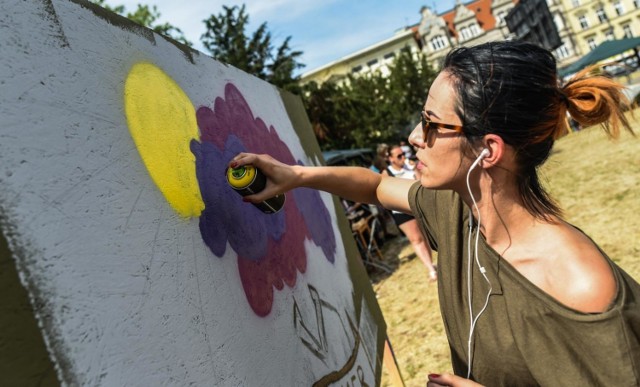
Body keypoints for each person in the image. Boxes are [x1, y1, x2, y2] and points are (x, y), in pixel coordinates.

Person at [229, 41, 640, 385]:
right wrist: (296, 175)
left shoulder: (582, 287)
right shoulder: (458, 210)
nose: (412, 138)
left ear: (489, 150)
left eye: (431, 125)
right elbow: (374, 185)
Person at [383, 144, 437, 281]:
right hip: (401, 209)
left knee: (425, 236)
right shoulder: (386, 173)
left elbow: (424, 181)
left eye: (403, 154)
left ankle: (431, 264)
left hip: (418, 205)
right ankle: (431, 269)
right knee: (416, 239)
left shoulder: (413, 165)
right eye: (399, 156)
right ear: (391, 159)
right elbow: (385, 192)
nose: (403, 158)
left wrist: (415, 168)